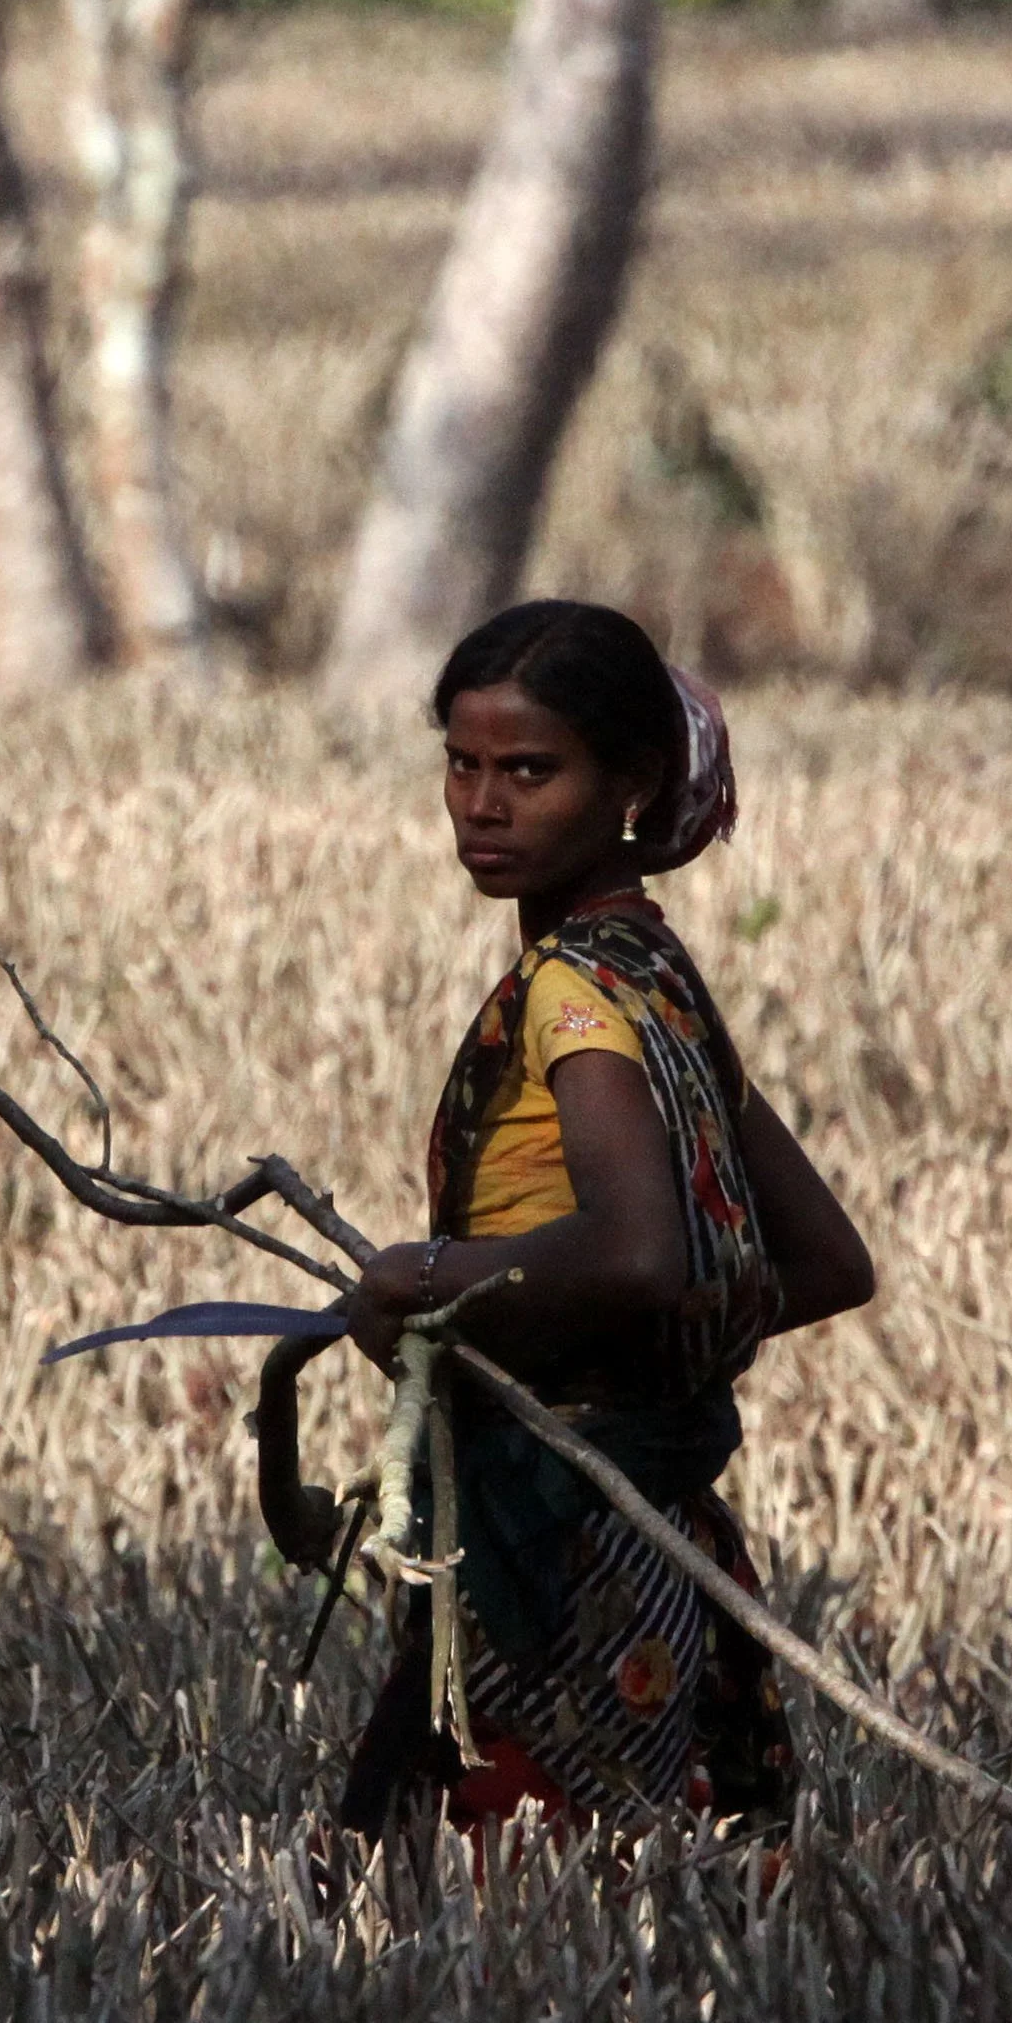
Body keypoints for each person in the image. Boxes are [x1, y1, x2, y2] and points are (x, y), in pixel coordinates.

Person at [259, 597, 875, 1836]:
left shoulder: (576, 993)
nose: (484, 805)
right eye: (462, 765)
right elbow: (814, 1261)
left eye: (530, 771)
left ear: (631, 783)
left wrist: (428, 1282)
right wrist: (559, 1350)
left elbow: (643, 1251)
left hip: (571, 1541)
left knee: (524, 1918)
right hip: (646, 1527)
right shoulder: (655, 974)